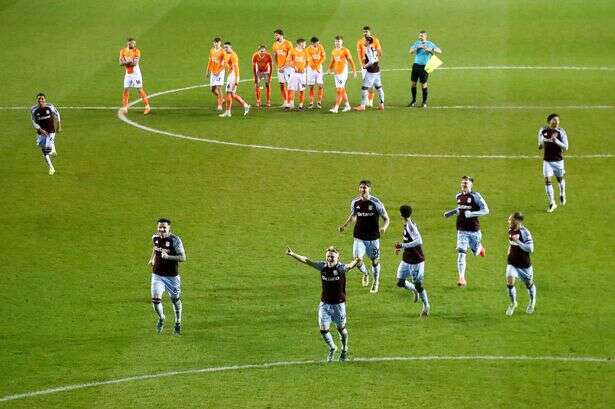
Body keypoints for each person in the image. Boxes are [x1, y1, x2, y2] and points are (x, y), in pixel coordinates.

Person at [286, 246, 360, 362]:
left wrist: (357, 260)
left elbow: (350, 266)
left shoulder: (340, 269)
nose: (330, 258)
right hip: (325, 304)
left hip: (338, 305)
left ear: (337, 258)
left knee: (341, 329)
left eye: (332, 256)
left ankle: (344, 349)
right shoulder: (322, 266)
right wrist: (293, 254)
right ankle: (332, 348)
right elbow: (306, 260)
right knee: (323, 330)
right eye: (328, 256)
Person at [339, 180, 389, 293]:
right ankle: (366, 273)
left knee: (375, 261)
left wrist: (384, 228)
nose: (363, 189)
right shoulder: (355, 202)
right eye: (361, 187)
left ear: (369, 189)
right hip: (359, 237)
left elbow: (386, 218)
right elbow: (353, 215)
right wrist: (345, 225)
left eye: (365, 187)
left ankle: (376, 281)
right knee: (357, 261)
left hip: (373, 238)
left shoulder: (376, 203)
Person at [443, 176, 489, 287]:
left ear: (471, 185)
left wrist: (472, 214)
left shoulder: (475, 196)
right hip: (461, 230)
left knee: (475, 251)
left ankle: (480, 249)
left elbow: (486, 210)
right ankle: (462, 278)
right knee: (461, 252)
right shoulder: (458, 196)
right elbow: (460, 209)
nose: (464, 184)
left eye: (466, 183)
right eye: (463, 182)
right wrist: (451, 213)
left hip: (474, 230)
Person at [148, 218, 186, 335]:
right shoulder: (155, 237)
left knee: (175, 300)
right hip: (157, 275)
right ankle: (161, 318)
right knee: (155, 300)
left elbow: (183, 258)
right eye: (160, 227)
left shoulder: (175, 240)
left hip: (172, 277)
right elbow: (155, 248)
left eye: (164, 227)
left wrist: (168, 257)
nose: (162, 229)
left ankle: (178, 322)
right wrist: (152, 258)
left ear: (169, 228)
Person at [394, 205, 430, 316]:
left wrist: (402, 245)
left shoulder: (410, 225)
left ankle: (426, 305)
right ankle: (413, 290)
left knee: (419, 285)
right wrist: (401, 247)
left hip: (416, 261)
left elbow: (419, 241)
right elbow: (408, 239)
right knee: (400, 282)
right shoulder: (407, 224)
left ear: (401, 214)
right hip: (406, 259)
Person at [505, 212, 537, 316]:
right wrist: (509, 249)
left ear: (517, 221)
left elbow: (530, 249)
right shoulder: (510, 229)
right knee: (510, 282)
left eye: (511, 220)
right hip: (512, 263)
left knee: (529, 285)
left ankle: (532, 302)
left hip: (524, 265)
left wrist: (518, 242)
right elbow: (511, 242)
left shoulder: (525, 233)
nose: (509, 221)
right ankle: (513, 303)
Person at [538, 113, 569, 213]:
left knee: (560, 179)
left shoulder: (561, 132)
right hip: (547, 161)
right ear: (549, 121)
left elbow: (566, 147)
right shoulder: (543, 130)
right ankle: (552, 203)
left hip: (558, 161)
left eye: (558, 120)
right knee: (547, 180)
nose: (556, 122)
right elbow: (540, 143)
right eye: (554, 120)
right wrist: (541, 144)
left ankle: (562, 193)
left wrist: (555, 140)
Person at [408, 31, 442, 108]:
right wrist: (418, 47)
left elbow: (440, 51)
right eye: (419, 36)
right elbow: (410, 52)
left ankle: (424, 102)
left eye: (422, 36)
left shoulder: (430, 43)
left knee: (423, 84)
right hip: (416, 65)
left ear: (425, 36)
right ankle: (413, 101)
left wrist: (431, 49)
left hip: (425, 67)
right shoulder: (417, 43)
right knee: (413, 84)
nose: (420, 37)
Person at [31, 93, 61, 175]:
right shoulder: (33, 109)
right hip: (41, 133)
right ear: (37, 100)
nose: (40, 100)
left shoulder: (50, 107)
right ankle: (52, 166)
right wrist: (40, 130)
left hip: (51, 131)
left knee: (46, 150)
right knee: (44, 151)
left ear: (45, 99)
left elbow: (57, 114)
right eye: (39, 99)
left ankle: (51, 167)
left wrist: (59, 125)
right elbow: (33, 121)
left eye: (42, 99)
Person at [119, 38, 151, 115]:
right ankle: (125, 108)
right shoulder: (123, 51)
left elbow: (134, 63)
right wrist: (129, 61)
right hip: (128, 73)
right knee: (126, 89)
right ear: (128, 43)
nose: (133, 45)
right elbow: (120, 63)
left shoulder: (137, 51)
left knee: (140, 90)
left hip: (136, 74)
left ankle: (147, 107)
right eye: (131, 43)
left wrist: (125, 61)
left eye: (134, 43)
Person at [218, 42, 251, 118]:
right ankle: (245, 105)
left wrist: (237, 78)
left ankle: (228, 112)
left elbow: (236, 68)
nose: (225, 49)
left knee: (228, 93)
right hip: (231, 75)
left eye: (227, 47)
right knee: (232, 94)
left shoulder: (233, 55)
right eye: (224, 47)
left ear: (231, 47)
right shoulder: (228, 54)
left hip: (233, 76)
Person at [354, 36, 384, 111]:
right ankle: (381, 104)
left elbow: (371, 61)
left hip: (371, 71)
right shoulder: (373, 48)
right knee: (379, 87)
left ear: (368, 42)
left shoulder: (368, 49)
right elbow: (376, 58)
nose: (364, 42)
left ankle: (362, 106)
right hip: (377, 70)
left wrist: (365, 66)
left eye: (365, 41)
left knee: (364, 88)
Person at [327, 36, 357, 113]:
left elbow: (351, 61)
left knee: (339, 90)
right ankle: (347, 106)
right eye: (336, 41)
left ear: (342, 42)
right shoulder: (333, 51)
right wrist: (329, 69)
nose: (337, 43)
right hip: (336, 73)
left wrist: (354, 71)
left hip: (343, 73)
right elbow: (332, 61)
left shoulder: (345, 50)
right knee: (342, 89)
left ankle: (336, 108)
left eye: (339, 41)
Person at [272, 29, 293, 107]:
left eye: (276, 35)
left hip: (288, 67)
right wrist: (277, 66)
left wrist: (284, 66)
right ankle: (285, 101)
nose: (275, 37)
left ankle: (291, 101)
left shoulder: (288, 43)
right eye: (275, 35)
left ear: (281, 35)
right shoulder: (275, 44)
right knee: (281, 84)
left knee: (289, 84)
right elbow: (274, 55)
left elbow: (290, 56)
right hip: (280, 68)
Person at [285, 39, 308, 110]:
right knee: (290, 88)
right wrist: (294, 66)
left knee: (302, 89)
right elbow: (288, 60)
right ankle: (288, 105)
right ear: (300, 44)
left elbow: (307, 61)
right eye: (304, 43)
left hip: (302, 74)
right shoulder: (292, 51)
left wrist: (305, 68)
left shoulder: (305, 51)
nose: (305, 45)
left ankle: (301, 105)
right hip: (293, 73)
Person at [306, 37, 326, 109]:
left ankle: (319, 102)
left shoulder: (320, 47)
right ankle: (311, 102)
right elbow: (310, 60)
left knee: (320, 85)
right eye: (316, 43)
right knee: (311, 86)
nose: (318, 44)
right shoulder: (308, 49)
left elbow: (324, 57)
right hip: (311, 69)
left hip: (319, 67)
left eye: (318, 43)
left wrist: (318, 65)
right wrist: (315, 67)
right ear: (312, 43)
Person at [207, 37, 226, 111]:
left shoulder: (223, 51)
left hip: (220, 72)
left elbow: (224, 64)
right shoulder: (211, 50)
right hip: (213, 71)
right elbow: (210, 61)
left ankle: (220, 105)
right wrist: (207, 71)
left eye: (217, 43)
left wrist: (219, 71)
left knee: (219, 87)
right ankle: (222, 99)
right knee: (213, 89)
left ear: (220, 43)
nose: (216, 44)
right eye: (214, 42)